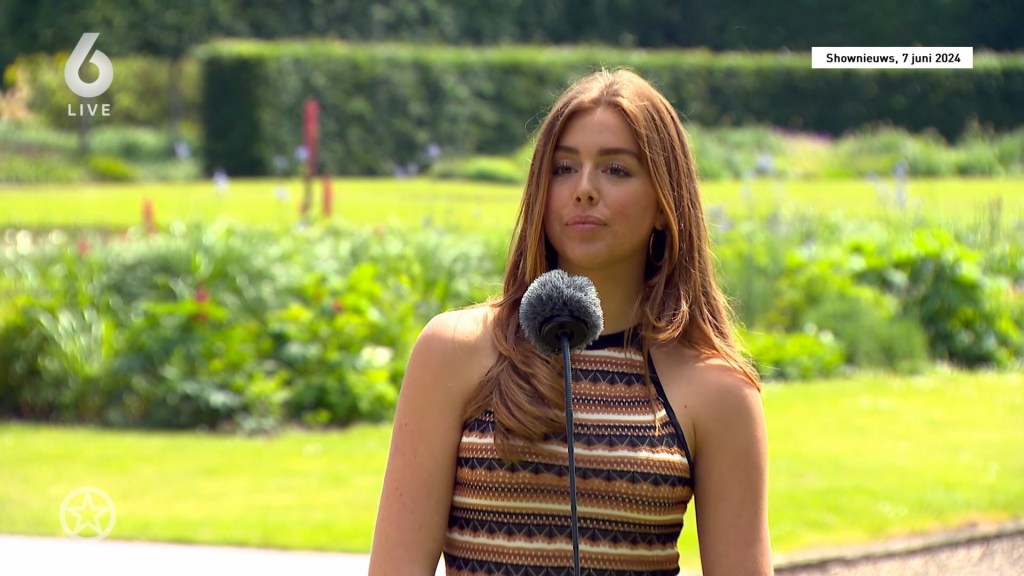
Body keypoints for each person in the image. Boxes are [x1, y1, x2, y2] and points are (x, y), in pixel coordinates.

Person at [369, 68, 772, 575]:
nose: (584, 189)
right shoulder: (454, 350)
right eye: (563, 168)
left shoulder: (718, 390)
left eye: (616, 170)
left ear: (664, 205)